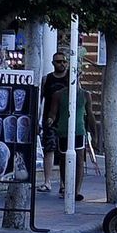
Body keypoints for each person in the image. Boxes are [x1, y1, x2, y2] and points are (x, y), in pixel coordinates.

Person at [39, 52, 72, 194]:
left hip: (66, 119)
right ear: (53, 63)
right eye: (59, 61)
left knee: (64, 151)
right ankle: (47, 181)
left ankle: (64, 183)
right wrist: (38, 120)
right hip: (49, 119)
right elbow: (40, 100)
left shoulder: (71, 78)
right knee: (49, 148)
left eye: (64, 61)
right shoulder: (47, 79)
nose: (62, 64)